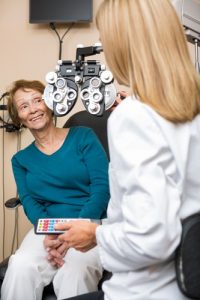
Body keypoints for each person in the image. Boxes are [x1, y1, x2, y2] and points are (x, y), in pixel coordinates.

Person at [48, 0, 200, 300]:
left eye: (105, 36)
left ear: (125, 43)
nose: (102, 45)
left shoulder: (133, 117)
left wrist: (95, 236)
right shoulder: (188, 107)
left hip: (144, 290)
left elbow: (150, 239)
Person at [1, 79, 110, 300]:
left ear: (50, 102)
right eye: (23, 106)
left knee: (75, 271)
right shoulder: (20, 160)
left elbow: (102, 187)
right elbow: (30, 202)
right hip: (48, 227)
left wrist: (76, 231)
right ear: (19, 118)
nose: (33, 109)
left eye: (38, 100)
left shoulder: (83, 136)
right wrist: (49, 233)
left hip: (90, 221)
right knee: (20, 267)